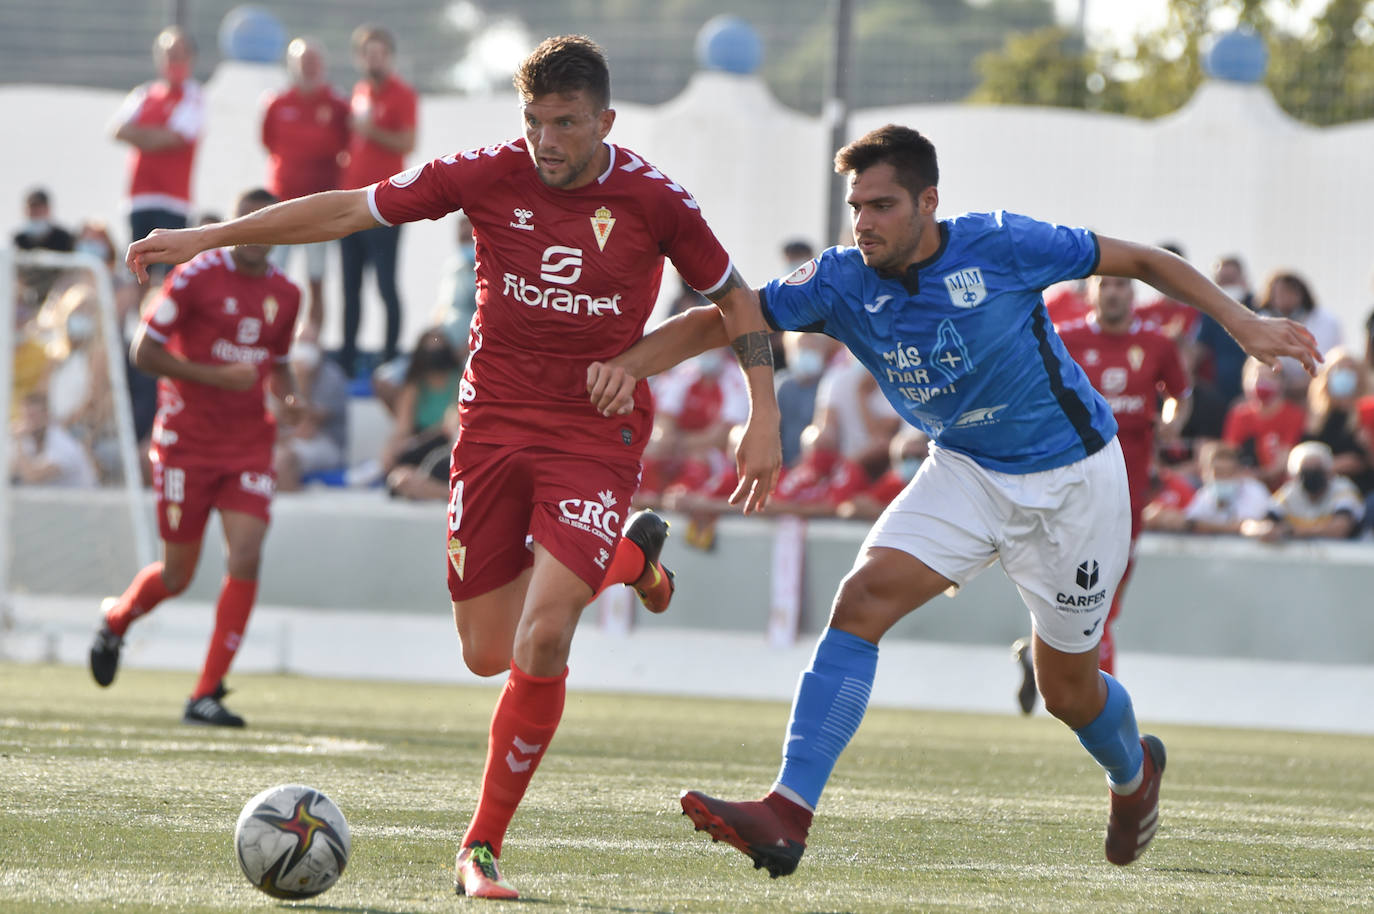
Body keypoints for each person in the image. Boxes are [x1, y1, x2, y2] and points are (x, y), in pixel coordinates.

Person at [124, 35, 781, 900]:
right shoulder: (485, 173)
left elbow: (735, 299)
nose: (547, 140)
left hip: (594, 436)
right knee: (485, 653)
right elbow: (346, 210)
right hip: (491, 429)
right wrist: (210, 235)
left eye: (568, 124)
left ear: (606, 122)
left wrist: (762, 413)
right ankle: (631, 560)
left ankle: (480, 849)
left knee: (544, 639)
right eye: (535, 121)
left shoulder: (655, 199)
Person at [587, 124, 1319, 876]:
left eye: (882, 205)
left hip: (1074, 481)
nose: (863, 222)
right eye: (855, 206)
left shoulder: (1001, 244)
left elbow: (1138, 260)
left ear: (928, 202)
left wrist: (1241, 320)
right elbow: (726, 313)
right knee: (861, 600)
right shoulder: (841, 279)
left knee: (1068, 689)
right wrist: (627, 368)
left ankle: (1135, 776)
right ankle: (788, 811)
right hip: (965, 468)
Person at [90, 187, 302, 728]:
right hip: (185, 443)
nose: (257, 233)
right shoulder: (193, 275)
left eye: (267, 223)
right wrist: (214, 376)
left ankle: (205, 693)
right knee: (179, 574)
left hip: (249, 443)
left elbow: (277, 363)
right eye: (247, 221)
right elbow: (143, 352)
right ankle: (117, 619)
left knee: (247, 555)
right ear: (233, 225)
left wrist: (290, 396)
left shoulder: (286, 292)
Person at [1045, 275, 1191, 677]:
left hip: (1130, 482)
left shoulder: (1157, 343)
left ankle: (1082, 669)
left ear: (1133, 293)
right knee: (1069, 582)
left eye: (1122, 285)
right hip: (1072, 479)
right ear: (1091, 291)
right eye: (1105, 284)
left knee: (1112, 581)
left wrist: (1170, 421)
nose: (1113, 292)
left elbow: (1180, 395)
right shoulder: (1065, 337)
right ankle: (1083, 671)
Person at [338, 24, 417, 377]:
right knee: (349, 288)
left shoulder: (402, 94)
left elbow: (406, 142)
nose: (374, 59)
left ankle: (390, 359)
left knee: (386, 285)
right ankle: (348, 359)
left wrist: (370, 131)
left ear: (390, 56)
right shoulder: (359, 91)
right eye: (368, 53)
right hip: (351, 204)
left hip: (385, 204)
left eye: (380, 53)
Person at [261, 37, 352, 335]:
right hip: (281, 202)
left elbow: (347, 144)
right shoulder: (277, 102)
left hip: (320, 204)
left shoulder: (337, 104)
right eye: (303, 63)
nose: (309, 68)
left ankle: (314, 341)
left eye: (314, 62)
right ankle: (272, 334)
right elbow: (269, 142)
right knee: (273, 274)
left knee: (316, 277)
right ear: (292, 66)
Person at [110, 26, 203, 276]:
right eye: (169, 54)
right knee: (136, 271)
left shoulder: (194, 96)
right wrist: (156, 135)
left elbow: (173, 139)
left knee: (169, 276)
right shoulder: (144, 94)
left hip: (174, 201)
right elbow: (118, 130)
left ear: (191, 58)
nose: (175, 61)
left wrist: (140, 135)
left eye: (181, 54)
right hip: (139, 196)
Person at [1242, 441, 1363, 542]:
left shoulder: (1343, 489)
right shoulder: (1290, 492)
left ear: (1328, 472)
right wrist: (1264, 530)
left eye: (1317, 469)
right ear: (1295, 475)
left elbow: (1339, 530)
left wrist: (1289, 531)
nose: (1312, 475)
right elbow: (1252, 526)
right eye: (1306, 471)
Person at [1223, 357, 1307, 490]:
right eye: (1256, 375)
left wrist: (1257, 476)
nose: (1261, 381)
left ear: (1281, 382)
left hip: (1282, 488)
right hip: (1245, 486)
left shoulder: (1294, 415)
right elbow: (1229, 455)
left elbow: (1281, 465)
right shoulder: (1239, 415)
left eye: (1270, 377)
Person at [11, 391, 98, 488]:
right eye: (25, 416)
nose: (27, 422)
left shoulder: (64, 444)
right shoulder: (29, 440)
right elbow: (12, 471)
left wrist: (18, 440)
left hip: (82, 501)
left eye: (33, 416)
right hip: (54, 500)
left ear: (47, 415)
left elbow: (33, 477)